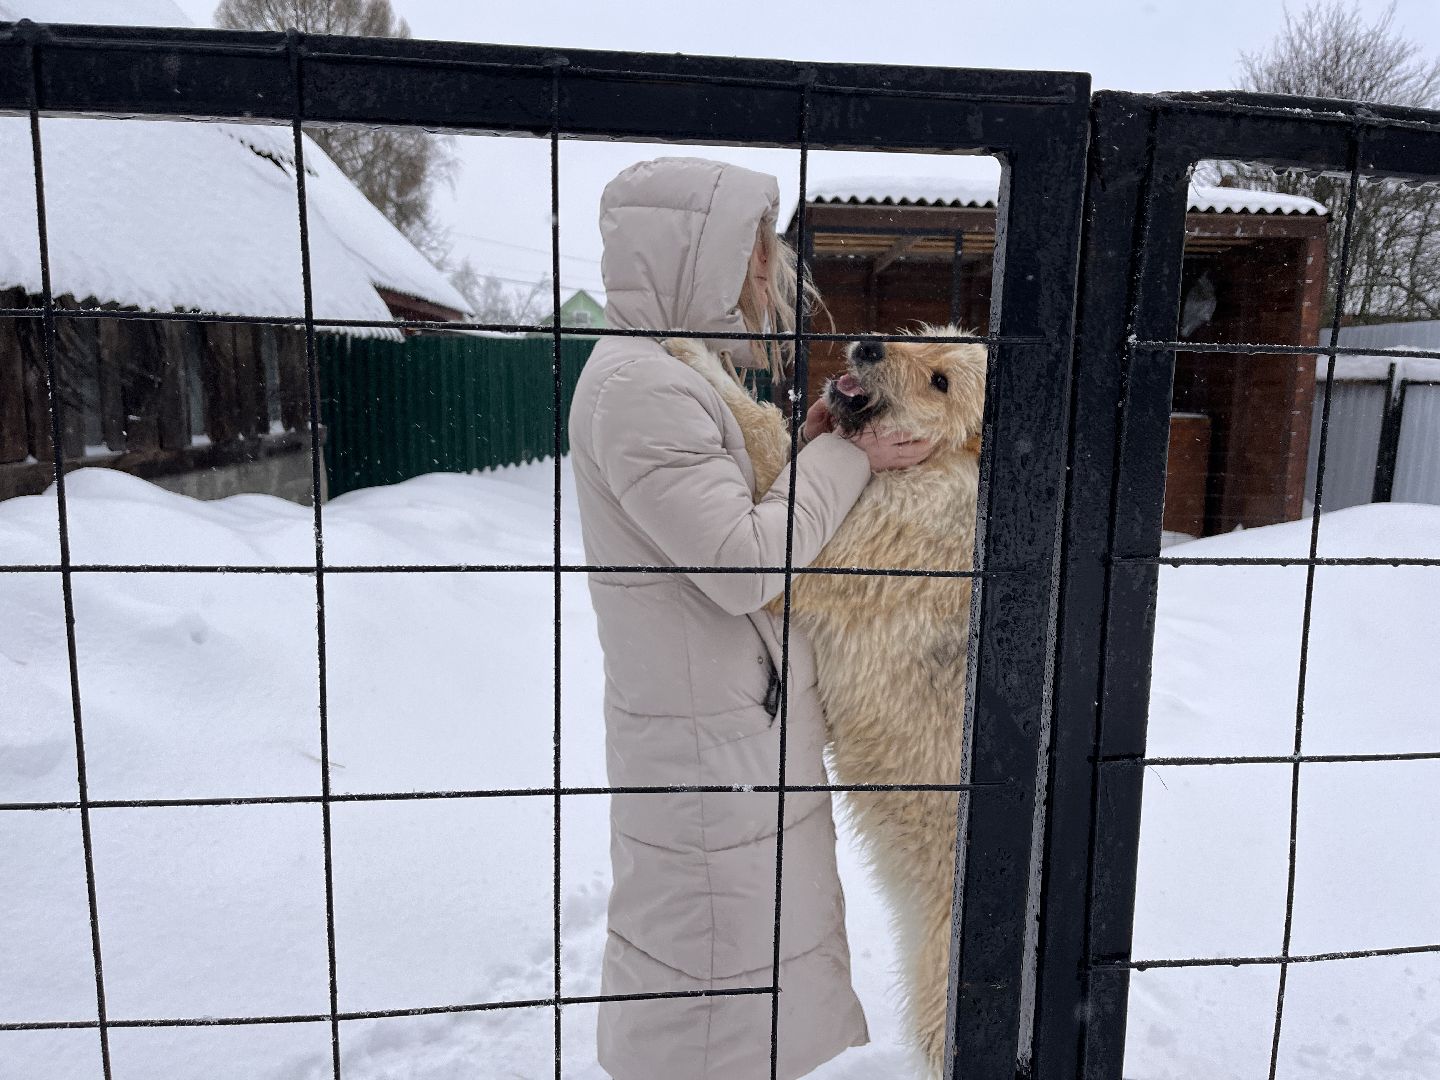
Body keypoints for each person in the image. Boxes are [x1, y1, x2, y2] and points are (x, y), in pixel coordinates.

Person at [567, 157, 931, 1080]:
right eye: (754, 251)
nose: (768, 272)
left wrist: (813, 443)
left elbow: (731, 516)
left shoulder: (674, 372)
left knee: (757, 981)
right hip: (708, 758)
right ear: (694, 252)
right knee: (717, 996)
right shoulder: (641, 387)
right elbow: (740, 563)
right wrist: (852, 460)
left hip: (734, 738)